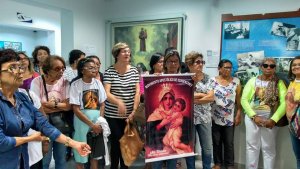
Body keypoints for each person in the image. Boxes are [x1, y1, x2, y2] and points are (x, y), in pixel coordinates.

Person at [0, 49, 90, 169]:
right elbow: (2, 143)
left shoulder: (23, 97)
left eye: (20, 67)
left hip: (22, 160)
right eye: (12, 67)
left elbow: (44, 125)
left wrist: (74, 144)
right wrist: (31, 138)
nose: (20, 71)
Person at [151, 48, 195, 169]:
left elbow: (191, 96)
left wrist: (194, 82)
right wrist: (152, 79)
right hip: (159, 130)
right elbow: (146, 96)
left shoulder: (185, 80)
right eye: (170, 61)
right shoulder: (158, 77)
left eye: (176, 61)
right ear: (165, 63)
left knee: (172, 157)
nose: (173, 64)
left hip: (173, 130)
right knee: (158, 159)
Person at [241, 58, 287, 169]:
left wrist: (274, 119)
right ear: (261, 67)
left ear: (275, 68)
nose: (268, 68)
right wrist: (253, 116)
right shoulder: (252, 81)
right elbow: (244, 100)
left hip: (270, 120)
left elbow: (285, 102)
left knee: (268, 148)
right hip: (252, 119)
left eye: (272, 66)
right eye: (265, 65)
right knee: (252, 146)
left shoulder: (279, 83)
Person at [30, 55, 71, 169]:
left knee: (61, 159)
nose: (61, 71)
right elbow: (37, 107)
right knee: (45, 160)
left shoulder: (65, 82)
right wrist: (60, 105)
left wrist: (53, 105)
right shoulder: (37, 82)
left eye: (63, 68)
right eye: (57, 69)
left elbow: (68, 106)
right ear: (47, 69)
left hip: (61, 124)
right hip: (43, 125)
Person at [103, 42, 140, 169]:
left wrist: (134, 111)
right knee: (116, 143)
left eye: (128, 51)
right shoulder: (110, 71)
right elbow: (106, 93)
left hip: (129, 114)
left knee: (127, 144)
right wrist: (118, 102)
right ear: (117, 54)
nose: (127, 53)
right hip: (113, 115)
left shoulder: (134, 70)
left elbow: (137, 92)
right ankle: (114, 166)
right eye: (124, 51)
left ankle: (125, 167)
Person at [69, 58, 107, 169]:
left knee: (95, 154)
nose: (95, 70)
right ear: (82, 70)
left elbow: (102, 104)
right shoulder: (76, 85)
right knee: (81, 153)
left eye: (96, 67)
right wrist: (92, 125)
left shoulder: (98, 83)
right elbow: (76, 109)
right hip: (82, 123)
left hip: (97, 122)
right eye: (91, 68)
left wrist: (100, 121)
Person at [211, 59, 242, 169]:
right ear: (219, 68)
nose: (228, 70)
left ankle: (229, 164)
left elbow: (239, 101)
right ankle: (218, 163)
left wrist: (238, 114)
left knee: (229, 143)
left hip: (229, 118)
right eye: (226, 67)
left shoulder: (236, 82)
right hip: (214, 117)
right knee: (216, 142)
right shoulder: (212, 81)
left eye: (230, 68)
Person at [185, 51, 214, 169]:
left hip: (204, 117)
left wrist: (194, 98)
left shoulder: (208, 78)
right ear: (190, 64)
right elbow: (184, 97)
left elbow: (211, 97)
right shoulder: (185, 78)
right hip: (188, 117)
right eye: (198, 62)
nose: (201, 64)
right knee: (189, 147)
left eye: (202, 62)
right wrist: (202, 95)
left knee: (207, 147)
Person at [285, 56, 300, 169]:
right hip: (293, 125)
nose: (296, 66)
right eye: (294, 65)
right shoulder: (292, 82)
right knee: (298, 156)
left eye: (299, 64)